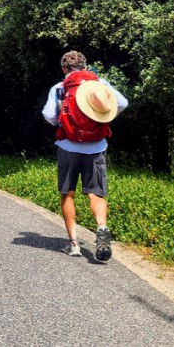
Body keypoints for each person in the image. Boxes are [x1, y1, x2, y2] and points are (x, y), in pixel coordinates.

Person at [41, 50, 128, 261]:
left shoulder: (60, 88)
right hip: (97, 147)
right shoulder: (101, 83)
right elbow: (122, 102)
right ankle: (102, 227)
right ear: (86, 67)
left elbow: (48, 115)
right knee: (96, 194)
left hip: (68, 146)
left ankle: (73, 244)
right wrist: (104, 118)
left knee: (67, 193)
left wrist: (63, 122)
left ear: (64, 69)